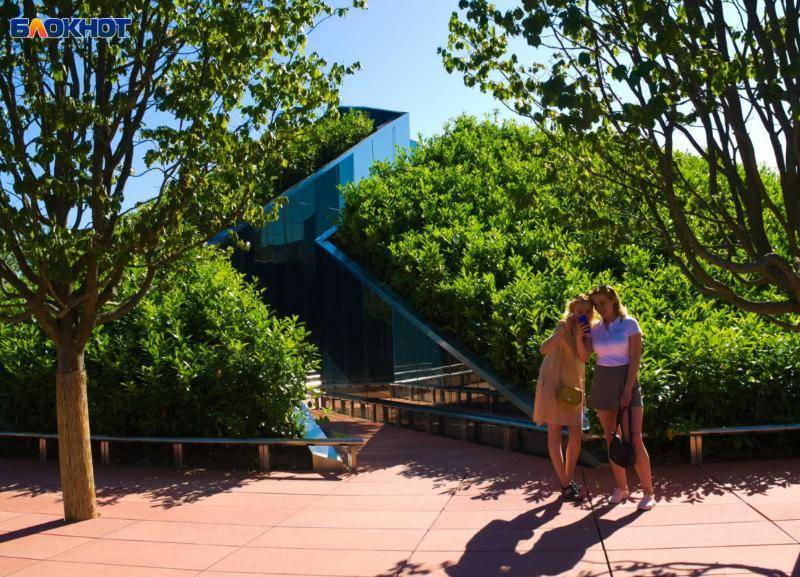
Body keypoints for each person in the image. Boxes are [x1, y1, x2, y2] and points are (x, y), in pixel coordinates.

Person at [584, 284, 656, 510]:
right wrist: (579, 332)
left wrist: (627, 389)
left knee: (634, 439)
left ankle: (648, 492)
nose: (599, 308)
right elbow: (585, 356)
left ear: (613, 300)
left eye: (603, 303)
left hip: (626, 381)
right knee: (610, 437)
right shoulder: (595, 328)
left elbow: (635, 360)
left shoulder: (630, 323)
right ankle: (622, 488)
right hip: (603, 382)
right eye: (596, 304)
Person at [534, 295, 592, 501]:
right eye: (579, 311)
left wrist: (579, 337)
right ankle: (566, 483)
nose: (583, 315)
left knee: (576, 434)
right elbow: (543, 349)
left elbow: (584, 357)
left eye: (587, 311)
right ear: (572, 311)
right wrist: (562, 331)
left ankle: (567, 479)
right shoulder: (562, 325)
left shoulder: (590, 332)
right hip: (552, 384)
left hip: (572, 388)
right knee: (555, 433)